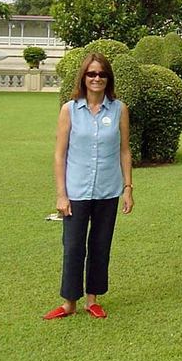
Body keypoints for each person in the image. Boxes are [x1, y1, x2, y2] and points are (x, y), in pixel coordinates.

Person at [43, 53, 133, 319]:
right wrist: (61, 195)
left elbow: (124, 151)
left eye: (102, 74)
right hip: (77, 190)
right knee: (73, 246)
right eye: (91, 74)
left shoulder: (119, 110)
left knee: (100, 244)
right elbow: (60, 154)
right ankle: (69, 302)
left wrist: (128, 187)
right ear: (83, 77)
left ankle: (92, 299)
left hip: (108, 190)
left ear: (109, 79)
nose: (97, 79)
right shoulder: (69, 110)